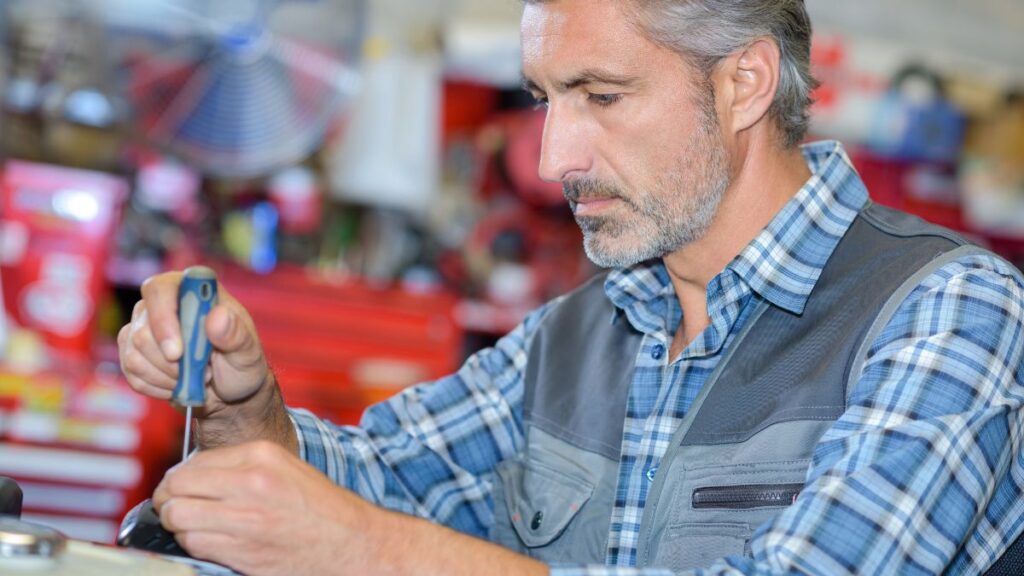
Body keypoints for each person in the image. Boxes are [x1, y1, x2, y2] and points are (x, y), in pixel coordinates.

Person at [118, 0, 1024, 574]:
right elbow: (377, 479)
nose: (555, 157)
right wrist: (247, 404)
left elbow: (360, 533)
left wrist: (365, 555)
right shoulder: (585, 332)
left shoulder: (948, 313)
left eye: (601, 95)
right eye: (544, 98)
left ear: (744, 82)